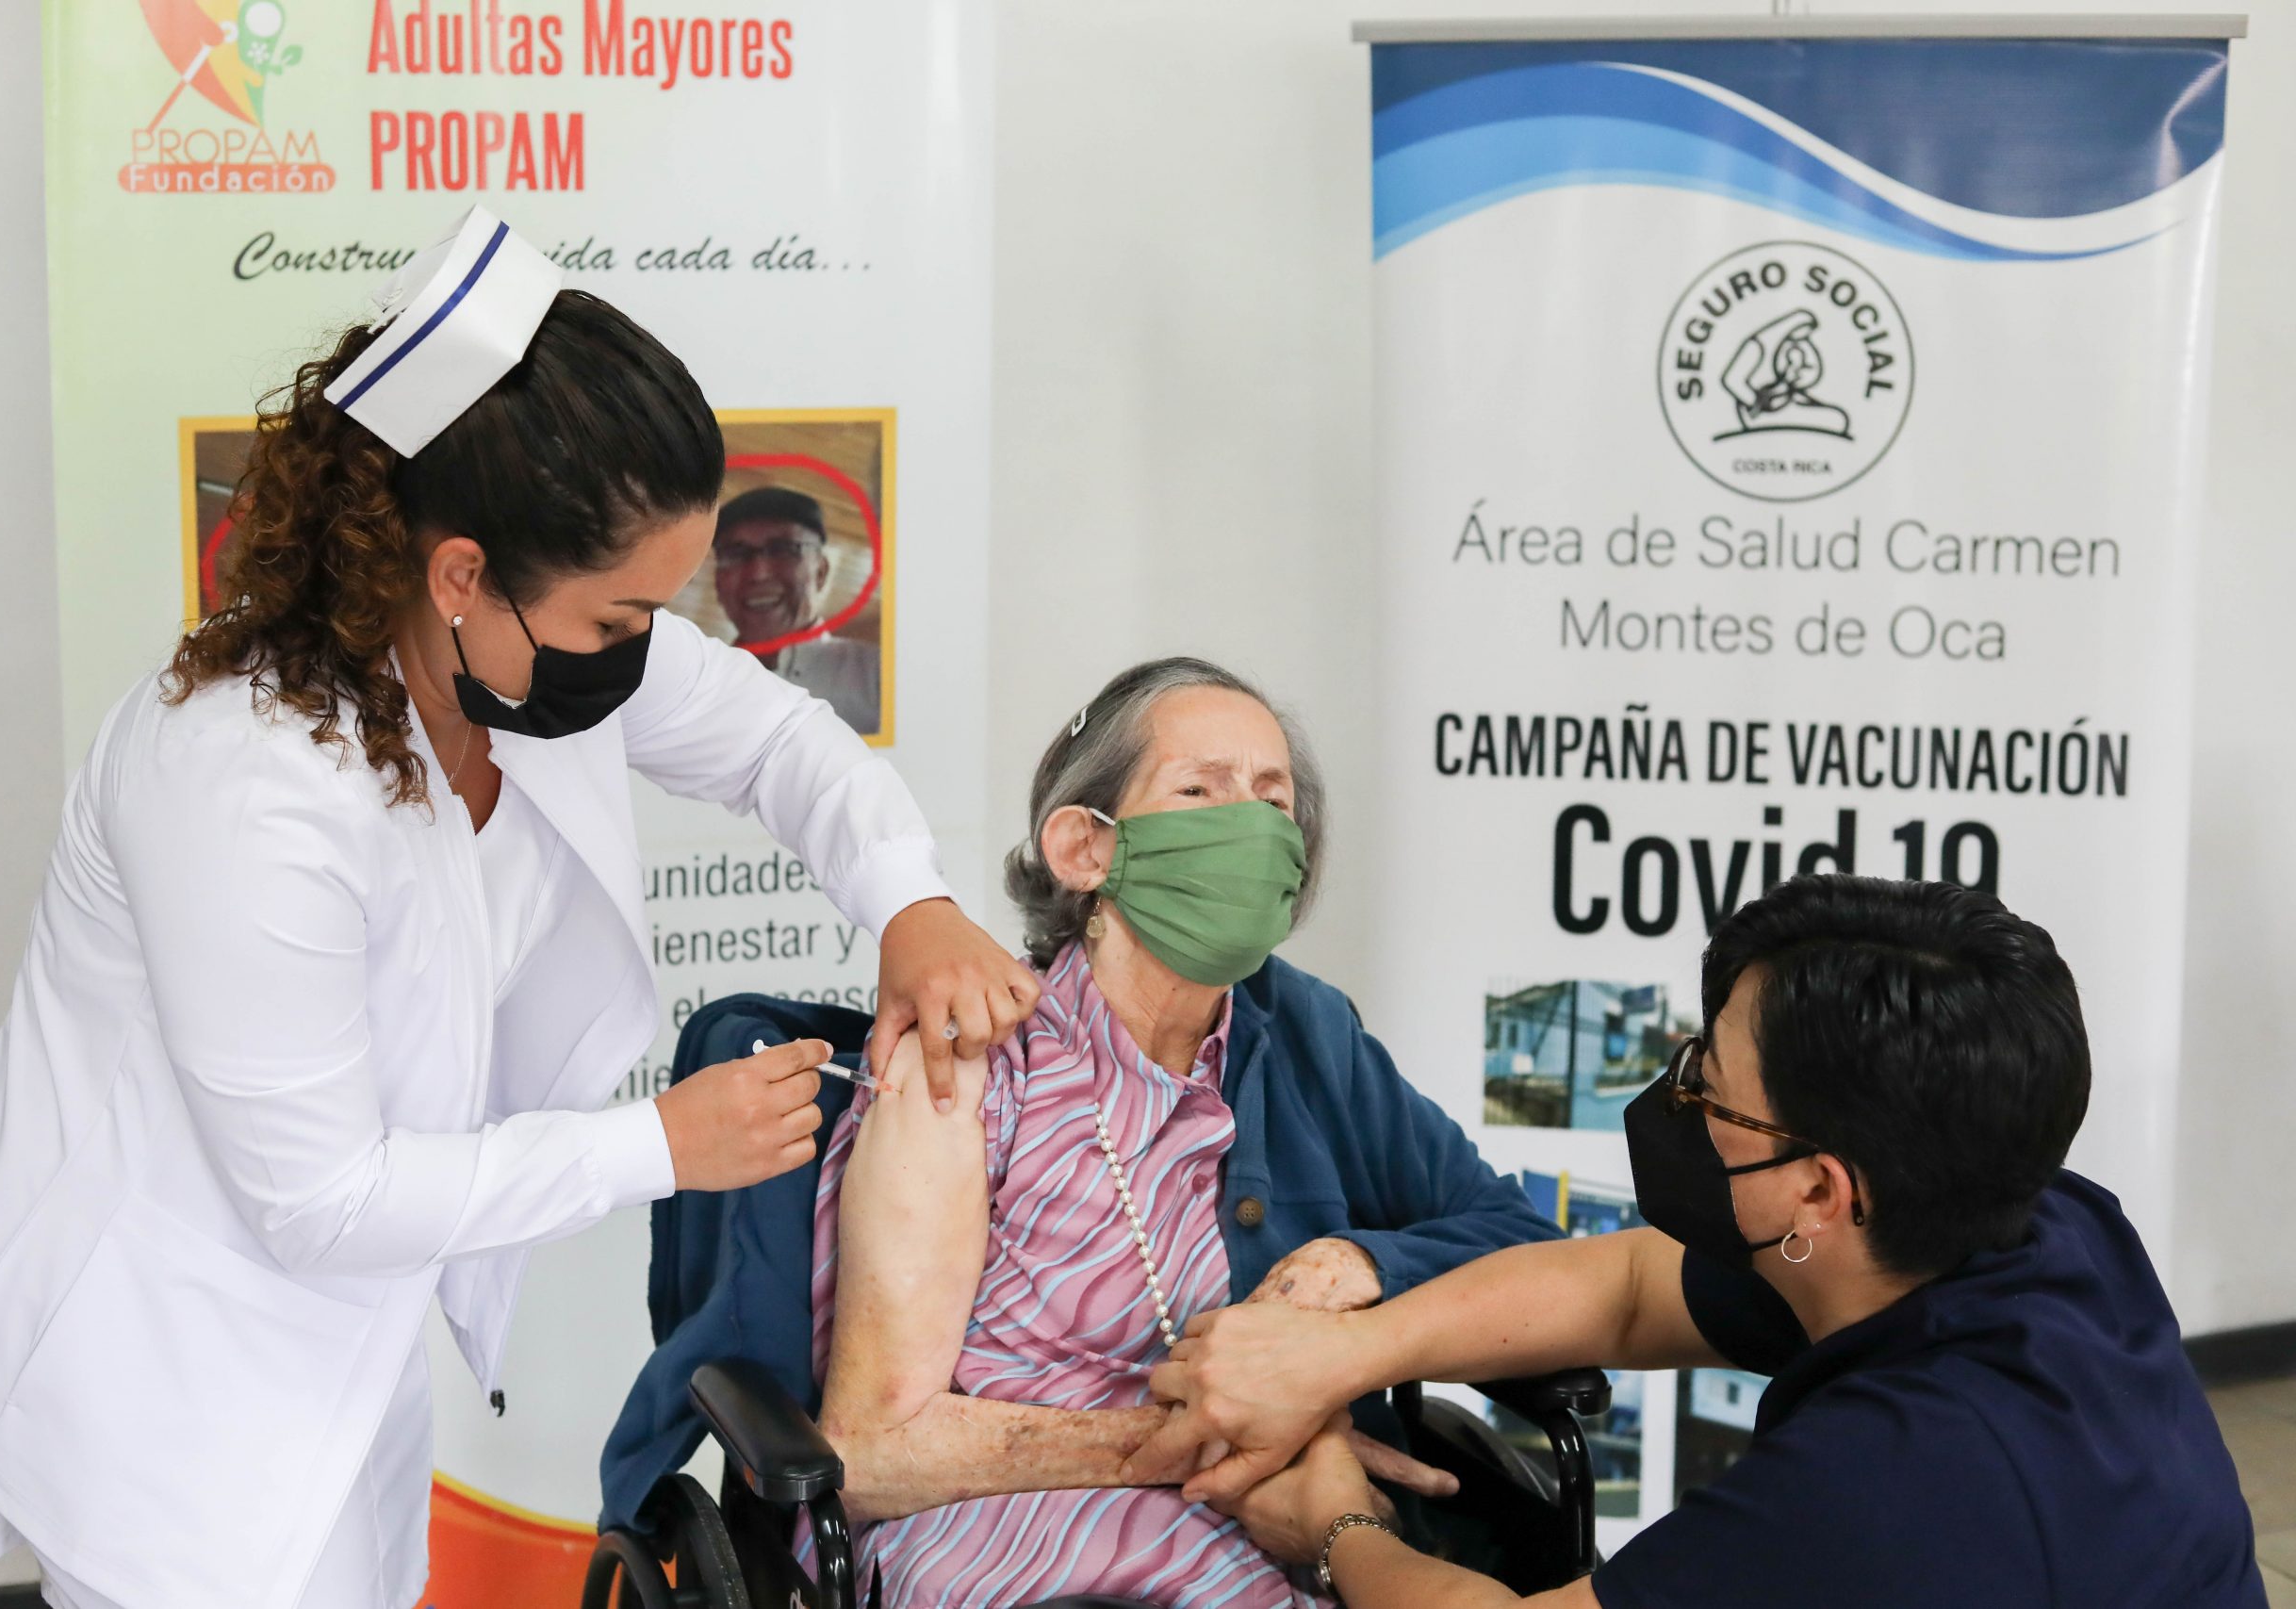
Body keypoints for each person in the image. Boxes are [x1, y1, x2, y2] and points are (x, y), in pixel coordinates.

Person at [0, 206, 1033, 1609]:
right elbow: (322, 1195)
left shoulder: (509, 656)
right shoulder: (245, 780)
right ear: (461, 574)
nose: (647, 649)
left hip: (343, 1329)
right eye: (621, 617)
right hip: (158, 1348)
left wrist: (910, 903)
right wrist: (659, 1143)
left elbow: (780, 746)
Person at [1137, 876, 2265, 1608]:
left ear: (1817, 1191)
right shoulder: (2031, 1219)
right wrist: (1345, 1354)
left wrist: (1337, 1524)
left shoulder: (1887, 1486)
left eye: (1706, 1086)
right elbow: (1628, 1290)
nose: (1674, 1097)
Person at [799, 658, 1561, 1607]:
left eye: (1273, 800)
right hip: (1000, 1538)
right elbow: (872, 1451)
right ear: (1084, 847)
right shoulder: (970, 1063)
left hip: (1264, 1529)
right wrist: (1216, 1433)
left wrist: (1361, 1265)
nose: (1251, 825)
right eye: (1200, 790)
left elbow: (1521, 1244)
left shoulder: (1307, 1035)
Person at [712, 484, 881, 733]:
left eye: (783, 550)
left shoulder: (879, 677)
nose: (758, 573)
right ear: (718, 583)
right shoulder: (698, 690)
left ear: (821, 572)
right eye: (736, 554)